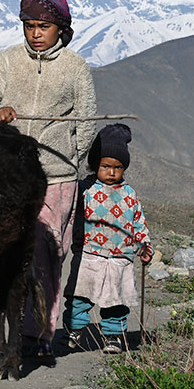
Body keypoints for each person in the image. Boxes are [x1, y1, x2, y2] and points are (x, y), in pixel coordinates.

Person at [0, 0, 96, 357]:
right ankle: (13, 325)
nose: (36, 33)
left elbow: (85, 122)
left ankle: (38, 334)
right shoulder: (7, 60)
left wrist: (71, 159)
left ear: (61, 28)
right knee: (8, 253)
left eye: (44, 26)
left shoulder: (75, 67)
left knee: (47, 253)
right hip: (10, 176)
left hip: (57, 176)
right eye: (29, 26)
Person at [64, 123, 153, 354]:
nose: (112, 172)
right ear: (95, 165)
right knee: (79, 296)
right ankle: (74, 329)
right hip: (88, 256)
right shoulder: (83, 189)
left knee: (115, 302)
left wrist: (144, 246)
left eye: (118, 167)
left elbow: (138, 223)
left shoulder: (130, 195)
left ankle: (113, 338)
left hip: (119, 259)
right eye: (106, 166)